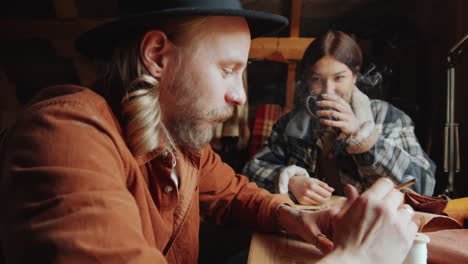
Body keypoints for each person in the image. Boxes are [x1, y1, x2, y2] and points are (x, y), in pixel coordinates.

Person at [0, 1, 417, 263]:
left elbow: (234, 192)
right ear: (157, 56)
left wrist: (292, 217)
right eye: (226, 70)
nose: (239, 96)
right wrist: (360, 258)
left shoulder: (178, 139)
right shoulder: (64, 135)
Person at [243, 30, 436, 205]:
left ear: (355, 74)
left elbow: (424, 186)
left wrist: (363, 139)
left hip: (372, 230)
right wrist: (291, 181)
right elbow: (251, 173)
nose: (328, 91)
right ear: (307, 79)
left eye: (339, 78)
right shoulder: (290, 124)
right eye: (317, 79)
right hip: (311, 228)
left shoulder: (388, 117)